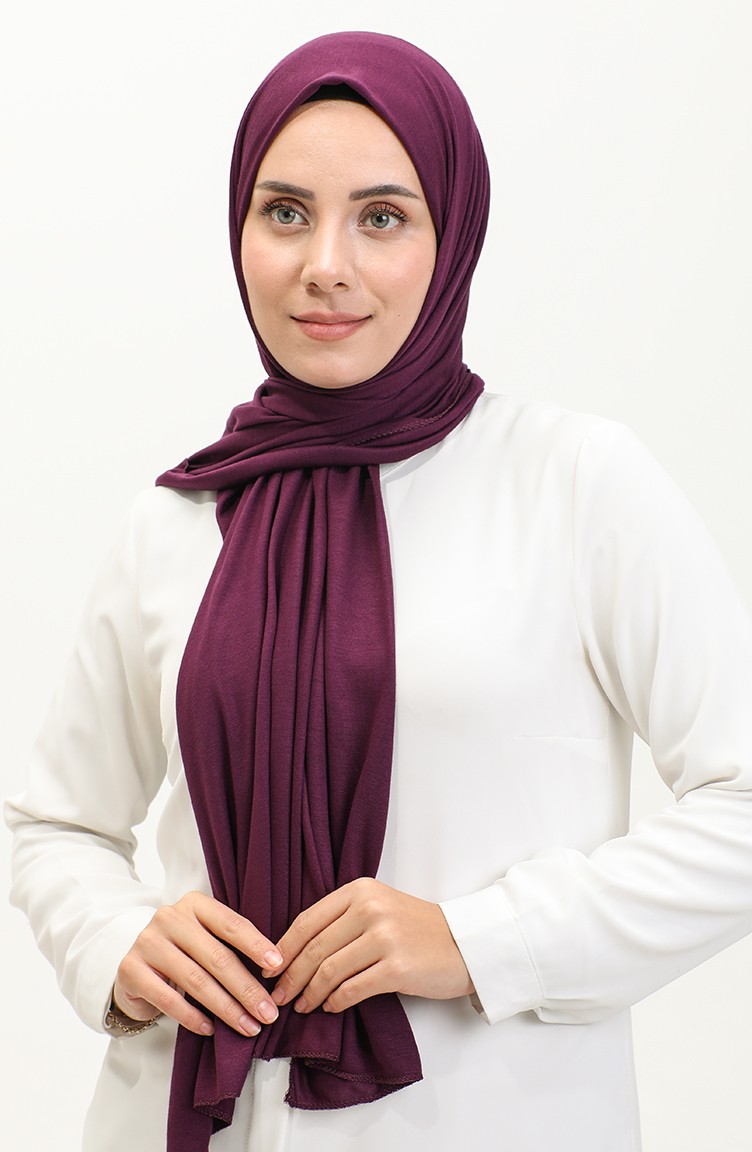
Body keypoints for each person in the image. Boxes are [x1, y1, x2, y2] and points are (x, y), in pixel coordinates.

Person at [6, 29, 752, 1152]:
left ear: (453, 238)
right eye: (285, 212)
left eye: (383, 218)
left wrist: (482, 940)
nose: (325, 265)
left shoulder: (573, 483)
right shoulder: (179, 518)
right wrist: (115, 942)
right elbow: (56, 823)